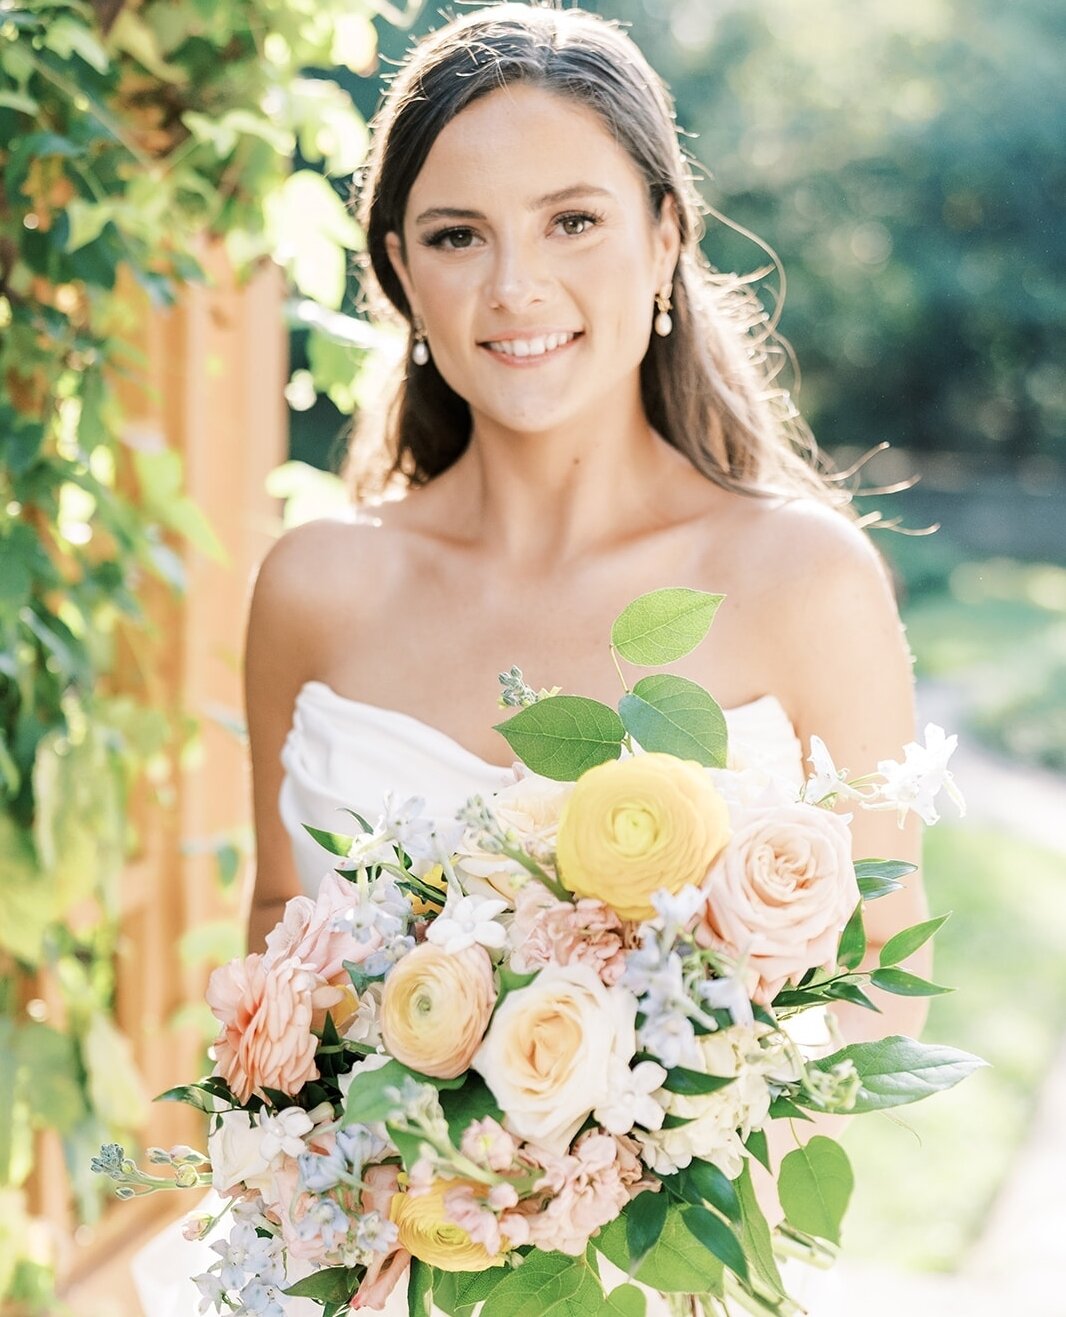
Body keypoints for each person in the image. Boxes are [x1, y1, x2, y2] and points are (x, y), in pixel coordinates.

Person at [237, 4, 927, 1312]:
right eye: (457, 237)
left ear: (664, 237)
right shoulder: (314, 586)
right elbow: (278, 937)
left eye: (572, 221)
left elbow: (884, 978)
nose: (515, 289)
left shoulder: (800, 581)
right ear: (398, 272)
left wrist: (612, 1170)